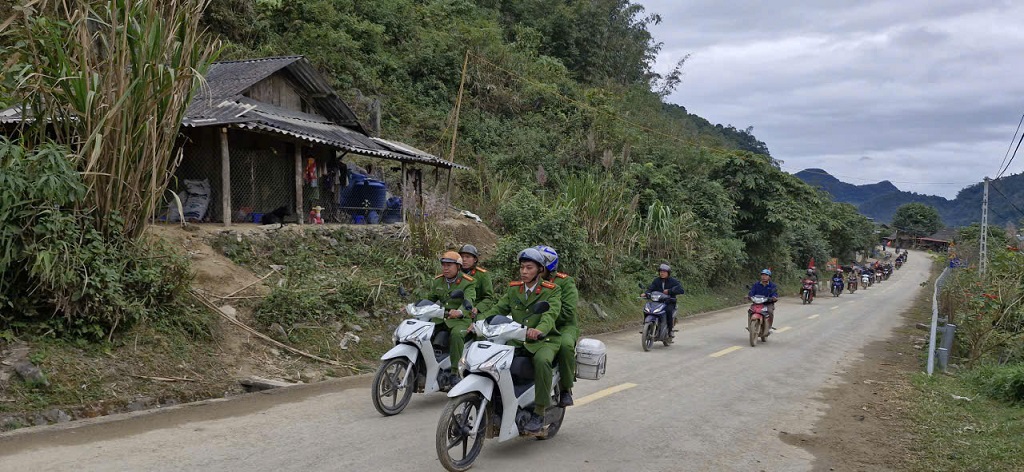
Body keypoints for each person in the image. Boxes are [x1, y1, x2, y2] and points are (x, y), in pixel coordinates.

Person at [479, 247, 562, 434]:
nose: (524, 272)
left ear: (540, 270)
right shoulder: (514, 289)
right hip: (516, 339)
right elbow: (497, 309)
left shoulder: (552, 291)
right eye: (522, 267)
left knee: (542, 361)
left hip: (543, 340)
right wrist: (478, 323)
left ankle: (539, 411)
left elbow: (550, 314)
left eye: (529, 268)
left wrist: (539, 330)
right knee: (494, 360)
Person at [417, 251, 477, 375]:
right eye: (443, 265)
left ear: (458, 266)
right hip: (441, 317)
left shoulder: (468, 282)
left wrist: (460, 311)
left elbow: (469, 299)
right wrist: (416, 306)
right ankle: (420, 366)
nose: (445, 268)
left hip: (460, 320)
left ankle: (455, 372)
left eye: (449, 265)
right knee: (422, 331)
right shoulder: (438, 281)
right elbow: (430, 299)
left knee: (456, 335)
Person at [535, 245, 579, 408]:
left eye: (538, 264)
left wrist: (543, 321)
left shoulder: (565, 282)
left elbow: (568, 311)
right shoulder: (530, 282)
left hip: (563, 326)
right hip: (536, 325)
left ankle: (566, 388)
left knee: (566, 346)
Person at [643, 263, 684, 337]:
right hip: (658, 302)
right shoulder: (656, 280)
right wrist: (646, 293)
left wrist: (670, 291)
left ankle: (670, 331)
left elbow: (681, 290)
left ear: (668, 273)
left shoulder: (673, 281)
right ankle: (646, 327)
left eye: (664, 272)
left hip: (669, 302)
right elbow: (651, 288)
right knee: (647, 309)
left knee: (668, 311)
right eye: (661, 271)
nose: (662, 273)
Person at [459, 244, 496, 314]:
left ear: (475, 259)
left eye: (468, 257)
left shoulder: (482, 275)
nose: (464, 259)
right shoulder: (455, 273)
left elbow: (488, 297)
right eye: (462, 257)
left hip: (474, 310)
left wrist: (478, 308)